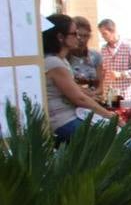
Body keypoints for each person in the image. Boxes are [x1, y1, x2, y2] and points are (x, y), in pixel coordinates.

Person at [43, 14, 117, 142]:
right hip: (64, 120)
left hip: (77, 113)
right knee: (115, 140)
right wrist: (110, 116)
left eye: (84, 35)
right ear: (60, 37)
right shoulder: (54, 62)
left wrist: (92, 95)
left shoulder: (62, 61)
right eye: (75, 34)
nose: (79, 39)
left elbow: (81, 91)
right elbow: (79, 98)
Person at [97, 18, 131, 103]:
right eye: (101, 34)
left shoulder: (129, 47)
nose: (102, 37)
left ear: (113, 31)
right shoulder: (103, 50)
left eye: (104, 34)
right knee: (113, 116)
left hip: (129, 97)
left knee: (130, 116)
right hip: (112, 97)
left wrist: (121, 74)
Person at [68, 16, 103, 93]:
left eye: (85, 36)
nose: (82, 40)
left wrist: (92, 95)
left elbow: (101, 88)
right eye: (79, 35)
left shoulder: (96, 56)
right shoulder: (65, 57)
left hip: (92, 100)